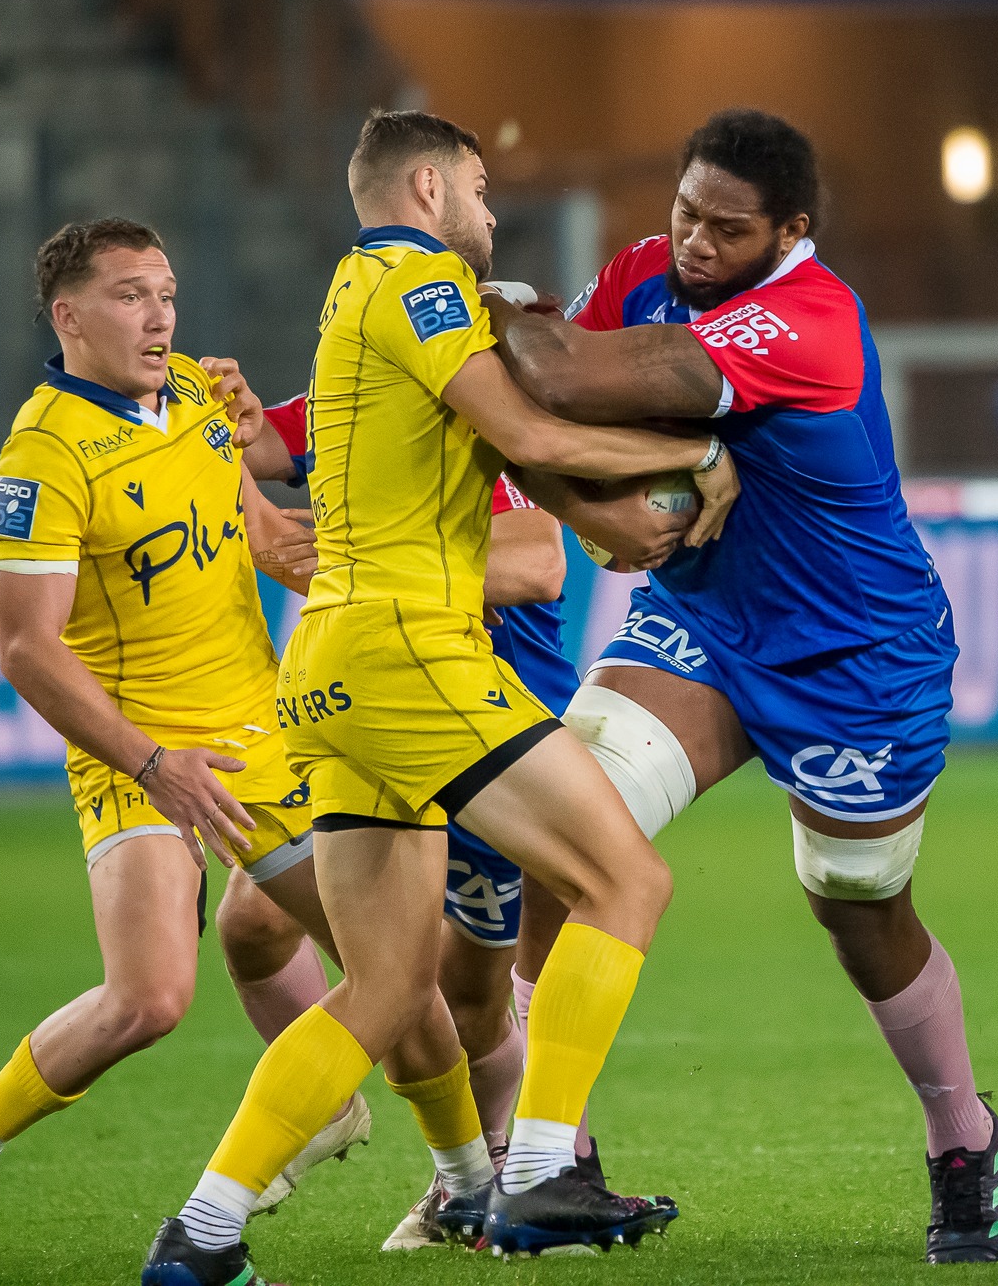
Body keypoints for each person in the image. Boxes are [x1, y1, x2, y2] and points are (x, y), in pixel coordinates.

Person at [141, 110, 740, 1284]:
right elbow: (524, 423)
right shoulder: (419, 281)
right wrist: (704, 455)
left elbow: (523, 476)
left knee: (384, 990)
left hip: (327, 669)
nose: (488, 211)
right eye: (476, 189)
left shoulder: (352, 297)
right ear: (425, 186)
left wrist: (633, 506)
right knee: (626, 878)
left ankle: (200, 1235)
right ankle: (540, 1171)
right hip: (414, 649)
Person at [484, 108, 998, 1264]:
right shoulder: (646, 271)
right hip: (704, 626)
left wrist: (456, 300)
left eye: (727, 228)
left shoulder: (810, 320)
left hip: (855, 659)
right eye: (683, 213)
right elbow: (534, 406)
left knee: (857, 909)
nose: (695, 244)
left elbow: (554, 368)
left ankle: (959, 1134)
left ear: (791, 231)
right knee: (561, 842)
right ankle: (551, 1153)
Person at [0, 219, 367, 1258]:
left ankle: (473, 1177)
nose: (161, 317)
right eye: (134, 295)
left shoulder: (194, 392)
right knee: (148, 998)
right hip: (136, 755)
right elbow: (25, 649)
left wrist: (374, 576)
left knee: (401, 965)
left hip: (258, 737)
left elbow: (264, 538)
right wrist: (151, 763)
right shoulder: (40, 458)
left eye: (169, 293)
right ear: (69, 316)